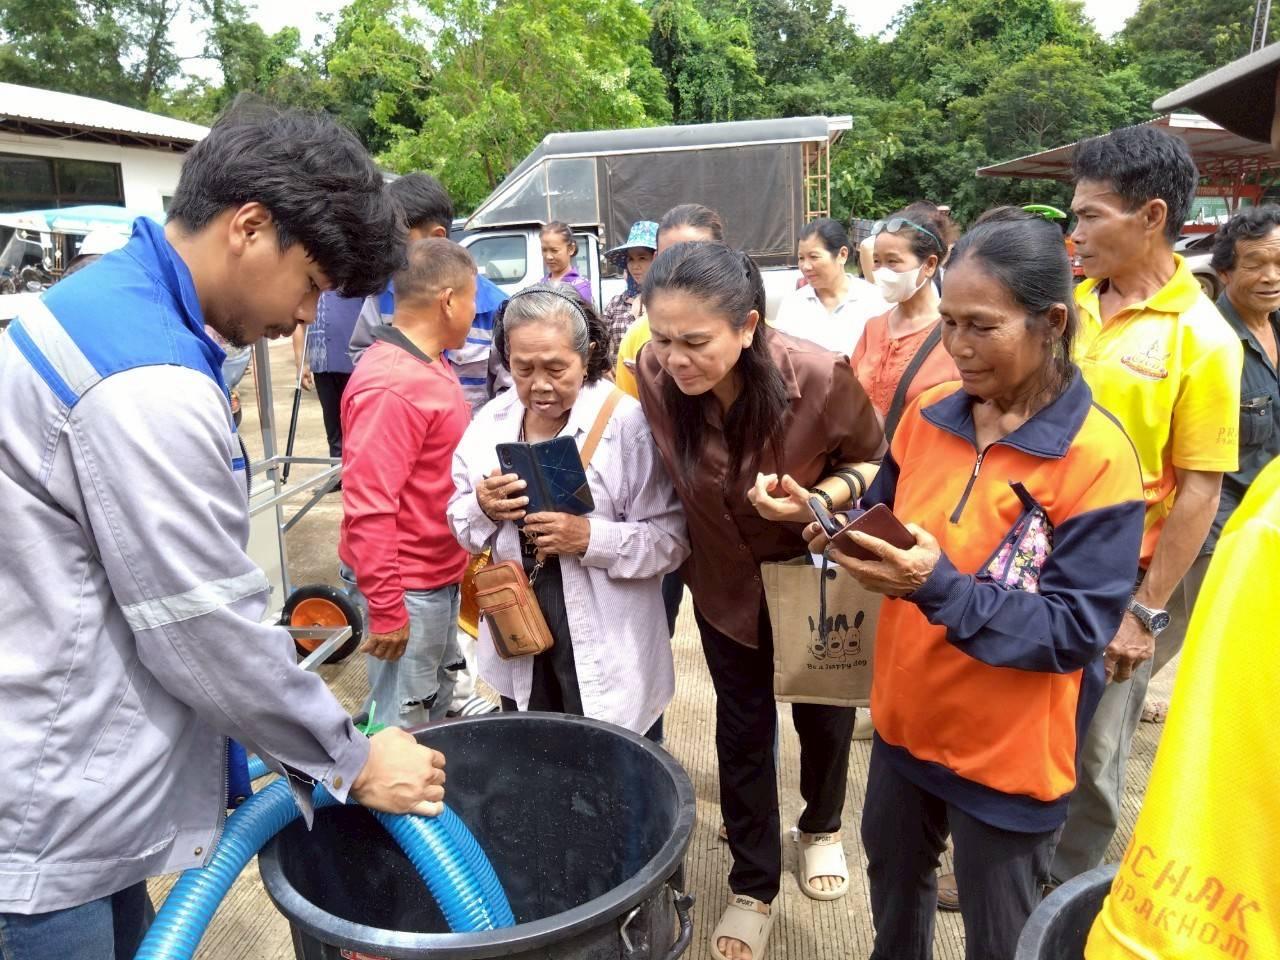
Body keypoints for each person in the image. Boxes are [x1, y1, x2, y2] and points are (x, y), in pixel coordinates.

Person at [0, 101, 447, 958]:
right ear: (249, 226)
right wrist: (350, 759)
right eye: (311, 285)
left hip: (69, 787)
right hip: (47, 813)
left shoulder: (103, 303)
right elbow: (205, 627)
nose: (305, 321)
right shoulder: (146, 384)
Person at [801, 208, 1145, 960]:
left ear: (1051, 320)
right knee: (895, 904)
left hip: (1009, 757)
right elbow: (883, 510)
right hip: (903, 726)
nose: (956, 346)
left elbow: (1073, 633)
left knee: (1001, 938)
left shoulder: (1098, 460)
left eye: (981, 326)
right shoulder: (929, 415)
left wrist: (934, 584)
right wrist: (832, 522)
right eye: (949, 321)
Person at [636, 241, 883, 960]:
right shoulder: (653, 373)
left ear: (747, 326)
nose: (676, 359)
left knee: (825, 721)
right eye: (662, 339)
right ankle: (753, 884)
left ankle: (821, 827)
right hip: (723, 587)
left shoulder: (818, 375)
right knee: (741, 733)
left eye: (695, 342)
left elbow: (872, 458)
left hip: (811, 576)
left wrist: (818, 500)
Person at [1042, 126, 1244, 889]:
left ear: (1151, 216)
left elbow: (1200, 488)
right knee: (1029, 724)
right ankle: (1011, 857)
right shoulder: (1066, 306)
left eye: (1090, 215)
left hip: (1116, 578)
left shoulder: (1201, 339)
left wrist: (1146, 610)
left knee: (1095, 753)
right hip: (1033, 556)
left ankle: (1062, 887)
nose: (1075, 231)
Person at [448, 283, 688, 735]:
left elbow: (671, 540)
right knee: (536, 757)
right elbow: (459, 524)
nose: (539, 385)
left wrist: (589, 538)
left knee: (617, 769)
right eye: (523, 368)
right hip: (519, 632)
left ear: (588, 355)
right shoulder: (488, 426)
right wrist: (482, 506)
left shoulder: (626, 425)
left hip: (610, 649)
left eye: (556, 368)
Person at [339, 239, 478, 728]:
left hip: (435, 575)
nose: (475, 311)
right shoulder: (392, 384)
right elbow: (369, 505)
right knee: (402, 724)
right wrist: (386, 605)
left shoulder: (430, 362)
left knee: (434, 705)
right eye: (472, 299)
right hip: (408, 586)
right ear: (448, 300)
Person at [348, 173, 510, 411]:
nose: (391, 252)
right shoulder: (383, 295)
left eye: (399, 242)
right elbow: (362, 352)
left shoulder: (495, 307)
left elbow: (508, 391)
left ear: (437, 238)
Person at [1202, 206, 1280, 563]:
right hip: (1226, 530)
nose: (1271, 277)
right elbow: (1199, 472)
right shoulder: (1206, 341)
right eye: (1254, 265)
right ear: (1224, 273)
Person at [851, 204, 961, 441]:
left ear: (930, 265)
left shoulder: (955, 334)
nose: (881, 271)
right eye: (877, 261)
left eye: (893, 261)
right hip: (867, 467)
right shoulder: (873, 328)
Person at [614, 203, 726, 398]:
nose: (682, 270)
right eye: (663, 341)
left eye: (698, 342)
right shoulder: (636, 339)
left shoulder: (755, 333)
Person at [772, 218, 887, 356]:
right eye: (801, 258)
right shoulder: (792, 304)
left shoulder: (874, 300)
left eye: (814, 257)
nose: (805, 266)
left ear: (842, 255)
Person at [293, 290, 364, 461]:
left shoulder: (356, 281)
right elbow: (299, 324)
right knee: (333, 426)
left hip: (355, 365)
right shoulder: (310, 287)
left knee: (358, 425)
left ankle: (357, 475)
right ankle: (336, 474)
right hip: (322, 364)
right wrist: (300, 364)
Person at [602, 219, 659, 363]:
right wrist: (604, 366)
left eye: (642, 258)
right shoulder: (616, 304)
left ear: (657, 258)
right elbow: (600, 341)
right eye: (631, 259)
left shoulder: (668, 302)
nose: (635, 266)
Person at [539, 221, 593, 303]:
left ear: (571, 249)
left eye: (554, 250)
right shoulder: (541, 284)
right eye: (544, 250)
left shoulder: (580, 287)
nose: (548, 256)